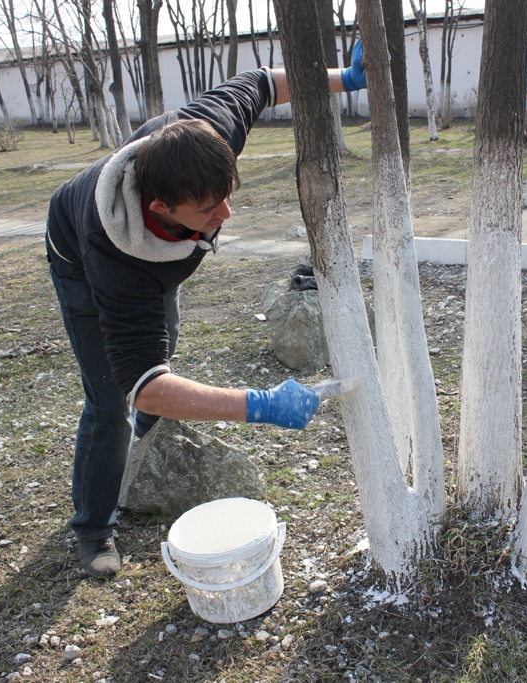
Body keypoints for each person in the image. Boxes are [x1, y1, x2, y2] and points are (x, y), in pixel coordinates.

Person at [45, 47, 367, 578]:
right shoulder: (116, 256)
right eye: (209, 208)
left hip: (157, 261)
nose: (227, 213)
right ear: (161, 209)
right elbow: (144, 383)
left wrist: (346, 80)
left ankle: (154, 438)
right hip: (77, 261)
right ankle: (93, 528)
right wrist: (259, 405)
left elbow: (263, 82)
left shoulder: (203, 134)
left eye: (226, 194)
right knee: (111, 396)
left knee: (162, 343)